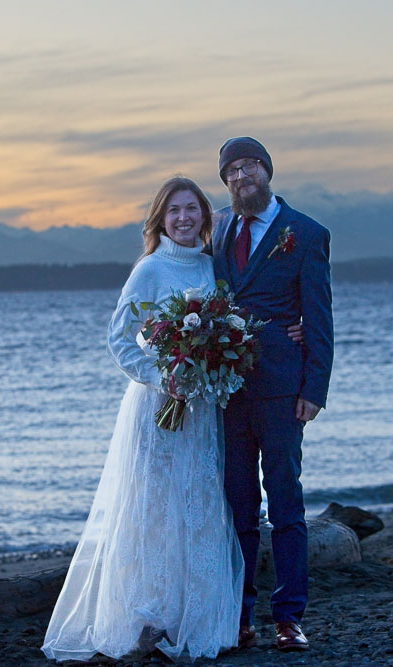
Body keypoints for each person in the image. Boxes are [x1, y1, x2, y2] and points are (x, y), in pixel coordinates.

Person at [42, 177, 244, 662]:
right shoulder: (150, 269)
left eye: (191, 209)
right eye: (173, 210)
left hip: (200, 410)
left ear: (205, 216)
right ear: (160, 219)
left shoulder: (214, 268)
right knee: (153, 508)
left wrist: (214, 365)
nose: (183, 217)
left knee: (195, 503)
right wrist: (162, 376)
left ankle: (189, 617)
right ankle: (145, 617)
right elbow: (119, 338)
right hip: (157, 407)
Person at [212, 137, 334, 652]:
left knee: (286, 505)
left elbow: (320, 317)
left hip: (284, 391)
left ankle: (289, 617)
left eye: (250, 166)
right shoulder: (215, 229)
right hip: (226, 391)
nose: (242, 177)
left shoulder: (305, 233)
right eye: (232, 170)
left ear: (267, 171)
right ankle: (240, 615)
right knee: (238, 507)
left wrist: (315, 388)